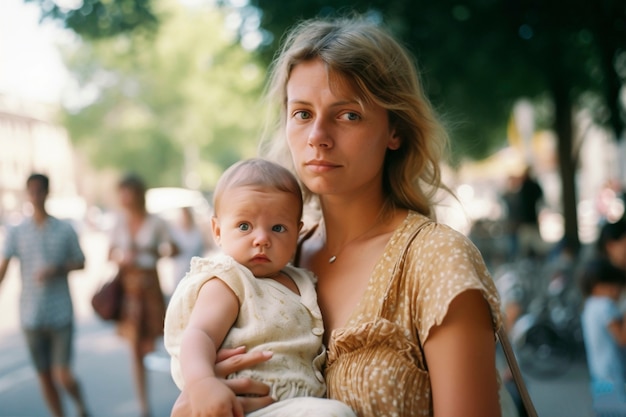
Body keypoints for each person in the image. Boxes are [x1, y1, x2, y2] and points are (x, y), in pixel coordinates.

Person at [173, 15, 508, 417]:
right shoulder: (274, 251)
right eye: (302, 113)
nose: (318, 136)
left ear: (395, 131)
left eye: (348, 114)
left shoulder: (436, 260)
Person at [164, 158, 356, 417]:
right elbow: (200, 334)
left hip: (294, 404)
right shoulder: (230, 280)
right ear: (217, 231)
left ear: (297, 233)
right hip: (243, 403)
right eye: (244, 226)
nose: (262, 239)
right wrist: (202, 383)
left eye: (278, 227)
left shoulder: (301, 280)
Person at [0, 173, 89, 417]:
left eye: (40, 191)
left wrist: (57, 269)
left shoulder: (64, 229)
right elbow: (3, 269)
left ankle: (81, 405)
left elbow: (81, 262)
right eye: (32, 191)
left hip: (60, 312)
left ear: (47, 193)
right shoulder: (17, 232)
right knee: (44, 376)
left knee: (63, 374)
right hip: (31, 313)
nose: (36, 196)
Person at [108, 173, 178, 417]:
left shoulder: (156, 222)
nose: (126, 197)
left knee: (158, 341)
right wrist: (122, 256)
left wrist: (153, 251)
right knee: (135, 347)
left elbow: (173, 247)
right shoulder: (119, 222)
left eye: (129, 191)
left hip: (149, 286)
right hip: (129, 289)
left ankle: (183, 386)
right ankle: (143, 405)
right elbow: (110, 253)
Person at [579, 257, 626, 415]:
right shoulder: (605, 306)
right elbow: (622, 339)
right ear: (600, 286)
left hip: (598, 374)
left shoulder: (589, 305)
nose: (618, 292)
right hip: (612, 374)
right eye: (617, 286)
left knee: (607, 412)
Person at [169, 206, 207, 290]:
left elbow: (202, 248)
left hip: (195, 268)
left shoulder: (197, 231)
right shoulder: (175, 232)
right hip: (180, 268)